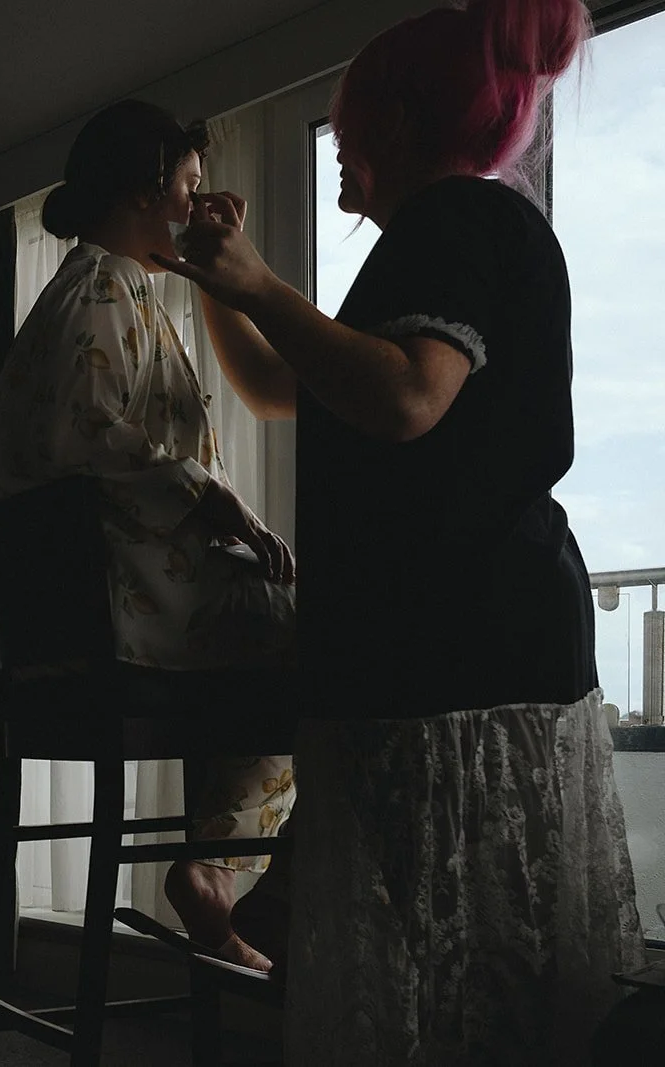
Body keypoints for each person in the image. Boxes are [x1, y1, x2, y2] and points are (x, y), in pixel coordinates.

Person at [154, 0, 643, 1059]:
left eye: (349, 119)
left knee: (450, 960)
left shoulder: (453, 219)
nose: (340, 141)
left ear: (397, 123)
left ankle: (258, 911)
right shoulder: (445, 238)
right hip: (462, 631)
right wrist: (226, 286)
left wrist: (257, 281)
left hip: (465, 637)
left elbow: (410, 396)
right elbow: (280, 386)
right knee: (456, 949)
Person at [0, 99, 297, 971]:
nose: (196, 205)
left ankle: (222, 870)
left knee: (289, 632)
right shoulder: (107, 286)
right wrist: (214, 497)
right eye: (189, 186)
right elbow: (89, 434)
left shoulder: (85, 291)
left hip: (74, 631)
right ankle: (222, 869)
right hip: (121, 624)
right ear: (148, 188)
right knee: (320, 643)